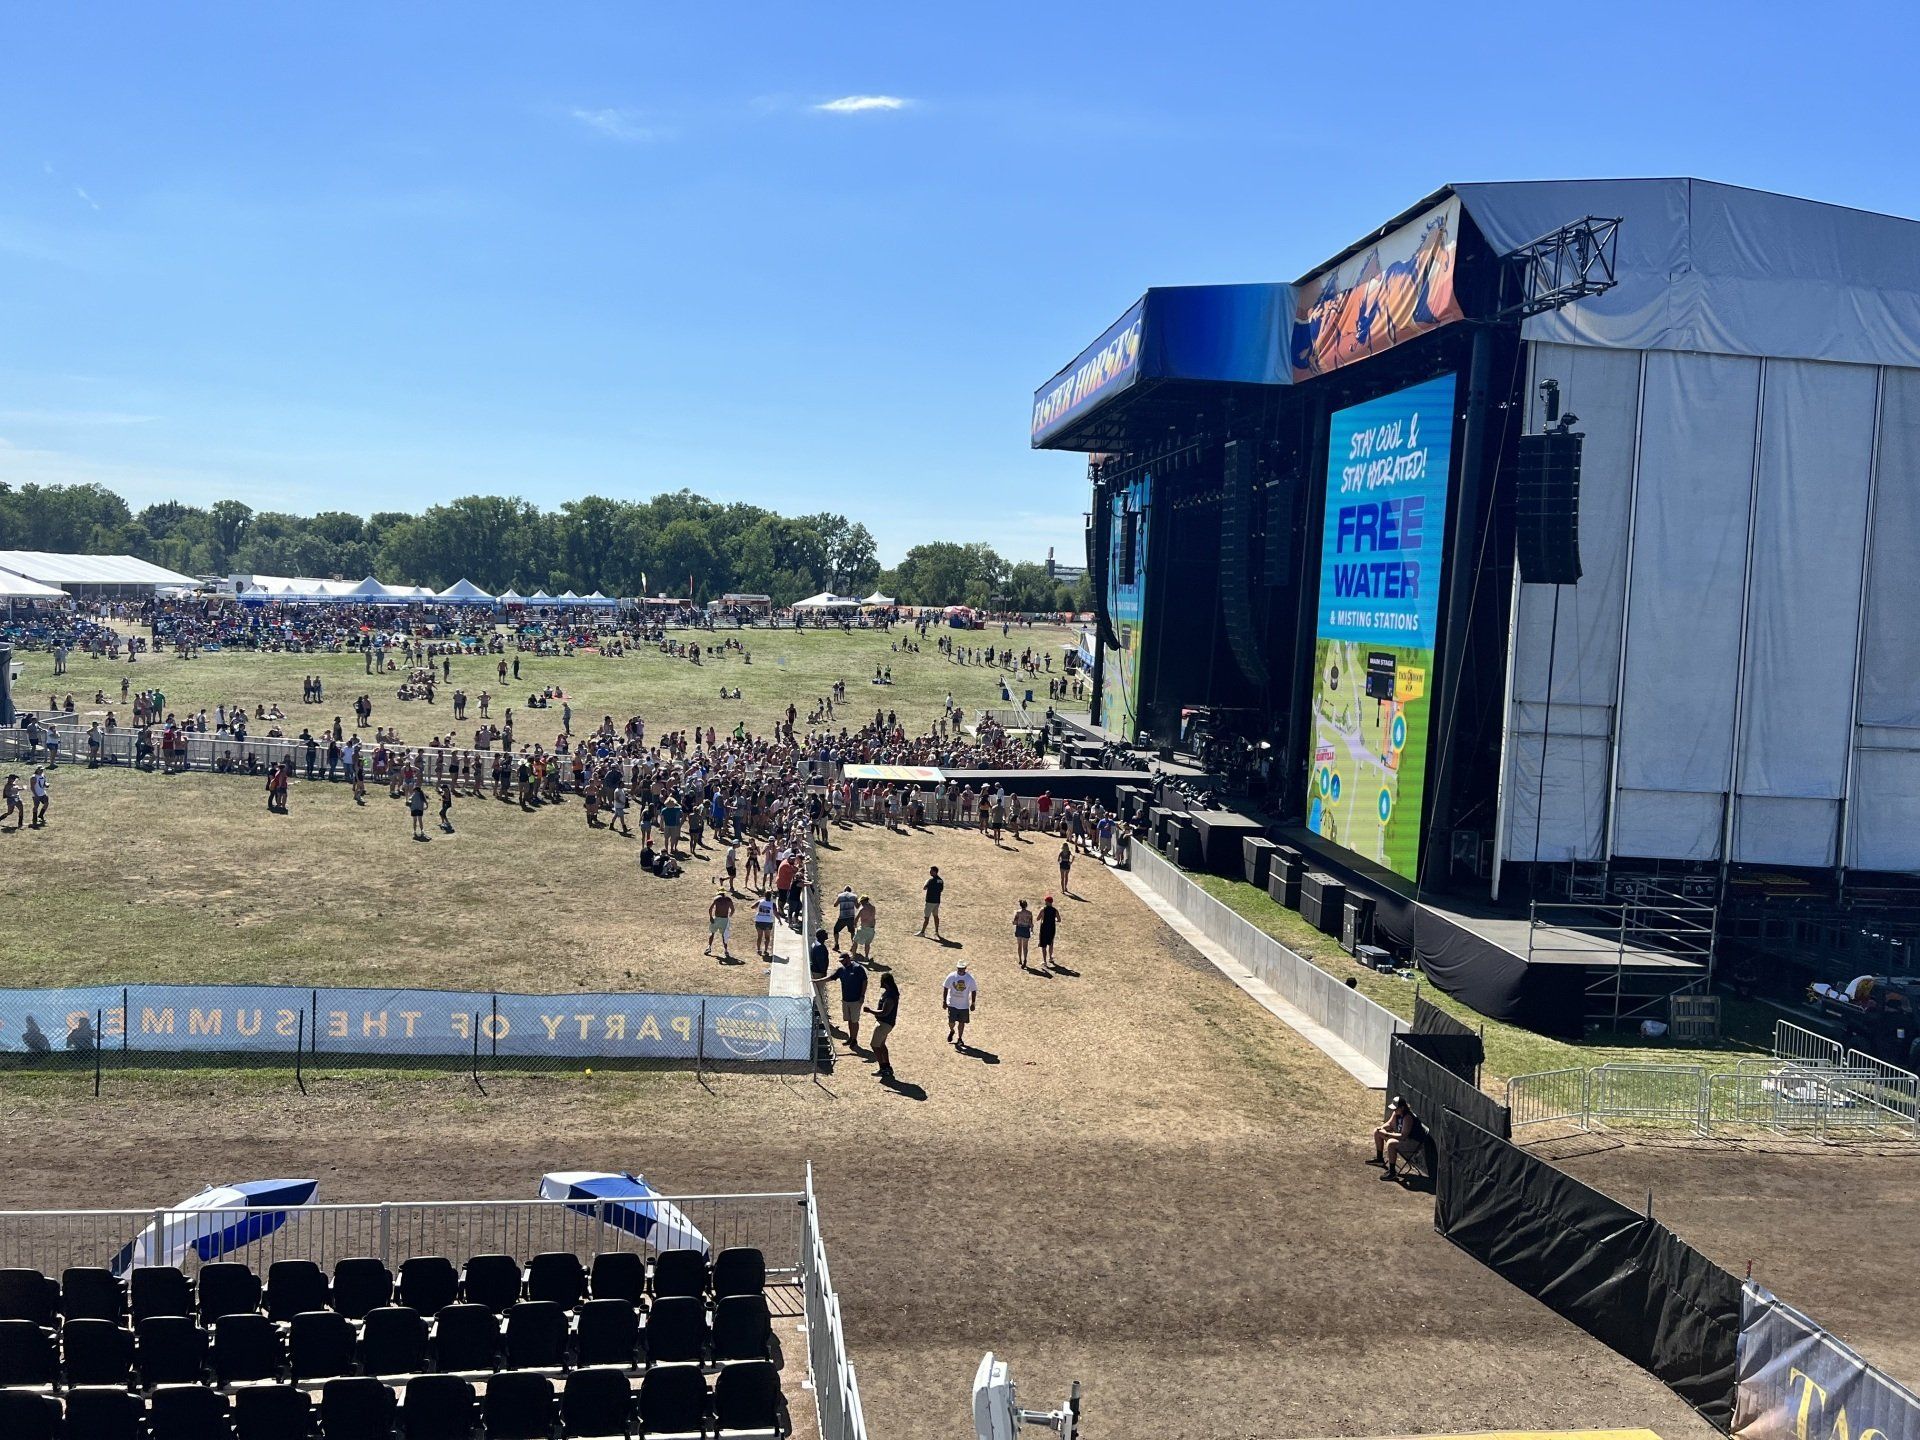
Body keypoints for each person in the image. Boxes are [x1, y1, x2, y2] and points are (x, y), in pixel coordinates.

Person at [1371, 1097, 1425, 1181]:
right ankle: (1379, 1159)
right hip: (1404, 1139)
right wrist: (1381, 1128)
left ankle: (1392, 1172)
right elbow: (1390, 1124)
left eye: (1396, 1108)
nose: (1394, 1110)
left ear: (1402, 1108)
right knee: (1377, 1131)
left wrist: (1388, 1134)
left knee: (1391, 1143)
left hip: (1413, 1143)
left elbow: (1403, 1136)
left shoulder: (1408, 1118)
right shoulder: (1396, 1113)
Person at [828, 953, 869, 1048]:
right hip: (845, 1000)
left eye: (843, 960)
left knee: (854, 1020)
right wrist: (817, 981)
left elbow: (864, 981)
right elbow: (831, 978)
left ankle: (854, 1039)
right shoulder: (841, 969)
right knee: (849, 1020)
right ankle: (851, 1037)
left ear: (848, 959)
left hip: (855, 1000)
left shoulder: (858, 968)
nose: (842, 962)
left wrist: (862, 995)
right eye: (841, 961)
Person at [866, 972, 899, 1081]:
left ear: (885, 982)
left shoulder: (890, 996)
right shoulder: (891, 992)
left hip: (883, 1024)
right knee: (881, 1045)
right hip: (886, 1024)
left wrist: (870, 1011)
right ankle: (887, 1067)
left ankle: (883, 1068)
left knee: (875, 1045)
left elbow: (884, 1012)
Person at [943, 961, 978, 1048]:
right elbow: (946, 988)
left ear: (965, 968)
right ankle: (952, 1030)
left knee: (962, 1022)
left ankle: (960, 1038)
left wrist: (973, 1003)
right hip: (952, 1004)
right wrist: (944, 1001)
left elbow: (974, 990)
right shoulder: (951, 976)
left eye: (962, 968)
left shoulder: (969, 978)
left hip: (964, 1005)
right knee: (951, 1022)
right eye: (959, 968)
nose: (960, 970)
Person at [706, 890, 736, 959]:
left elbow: (710, 909)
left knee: (712, 933)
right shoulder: (728, 899)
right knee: (724, 935)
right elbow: (733, 909)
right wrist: (729, 916)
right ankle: (726, 950)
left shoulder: (717, 899)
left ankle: (709, 947)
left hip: (717, 918)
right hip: (725, 920)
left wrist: (710, 917)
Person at [918, 865, 945, 939]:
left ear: (934, 872)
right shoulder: (941, 880)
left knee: (926, 917)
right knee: (936, 916)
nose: (930, 872)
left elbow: (924, 888)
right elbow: (941, 890)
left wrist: (926, 882)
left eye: (931, 871)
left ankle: (922, 932)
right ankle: (936, 932)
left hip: (930, 902)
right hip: (937, 902)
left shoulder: (930, 881)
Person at [832, 884, 860, 950]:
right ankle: (853, 946)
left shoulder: (840, 896)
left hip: (842, 917)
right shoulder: (854, 896)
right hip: (851, 917)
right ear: (851, 891)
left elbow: (835, 905)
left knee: (836, 930)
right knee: (852, 932)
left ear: (844, 890)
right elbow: (857, 906)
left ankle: (836, 945)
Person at [1037, 895, 1061, 970]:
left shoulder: (1043, 909)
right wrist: (1054, 920)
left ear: (1047, 902)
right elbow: (1059, 920)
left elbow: (1038, 918)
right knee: (1051, 943)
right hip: (1052, 928)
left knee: (1043, 945)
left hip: (1044, 929)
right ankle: (1050, 957)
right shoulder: (1055, 910)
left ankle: (1044, 961)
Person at [853, 894, 877, 961]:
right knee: (867, 944)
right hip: (871, 928)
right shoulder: (873, 908)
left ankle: (853, 956)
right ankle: (866, 957)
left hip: (863, 928)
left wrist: (855, 925)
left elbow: (856, 918)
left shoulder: (862, 909)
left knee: (855, 941)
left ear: (863, 901)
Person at [753, 893, 778, 957]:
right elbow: (775, 913)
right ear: (771, 896)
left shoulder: (760, 901)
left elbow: (752, 907)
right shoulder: (773, 904)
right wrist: (779, 920)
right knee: (767, 937)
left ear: (764, 896)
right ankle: (765, 951)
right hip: (768, 922)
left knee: (759, 936)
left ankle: (759, 950)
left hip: (759, 921)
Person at [1013, 899, 1034, 970]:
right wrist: (1031, 930)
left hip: (1019, 929)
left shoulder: (1018, 913)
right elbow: (1031, 923)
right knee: (1025, 947)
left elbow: (1014, 922)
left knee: (1019, 945)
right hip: (1026, 929)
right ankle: (1025, 958)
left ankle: (1020, 960)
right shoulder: (1029, 913)